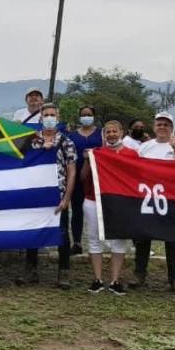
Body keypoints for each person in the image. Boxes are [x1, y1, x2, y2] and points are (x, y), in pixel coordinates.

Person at [129, 112, 175, 293]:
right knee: (143, 238)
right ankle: (139, 274)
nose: (162, 127)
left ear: (172, 127)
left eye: (166, 124)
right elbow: (134, 170)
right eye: (159, 124)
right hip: (148, 199)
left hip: (173, 199)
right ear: (154, 127)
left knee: (172, 239)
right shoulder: (145, 147)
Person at [17, 103, 77, 289]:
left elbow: (72, 171)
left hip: (57, 194)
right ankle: (30, 271)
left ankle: (63, 273)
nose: (50, 118)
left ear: (57, 118)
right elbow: (16, 158)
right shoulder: (31, 141)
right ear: (41, 118)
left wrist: (67, 198)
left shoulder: (66, 142)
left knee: (62, 235)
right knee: (33, 232)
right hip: (35, 195)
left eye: (53, 115)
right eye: (46, 115)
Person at [79, 121, 135, 295]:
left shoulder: (132, 154)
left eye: (114, 131)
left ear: (121, 132)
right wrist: (88, 161)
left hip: (119, 202)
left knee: (119, 240)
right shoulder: (97, 153)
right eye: (108, 132)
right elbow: (83, 178)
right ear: (104, 135)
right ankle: (97, 279)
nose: (111, 134)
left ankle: (115, 280)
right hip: (93, 200)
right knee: (94, 239)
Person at [67, 106, 102, 255]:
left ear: (94, 116)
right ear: (79, 117)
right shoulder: (72, 135)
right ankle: (77, 242)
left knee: (98, 211)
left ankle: (99, 242)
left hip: (98, 178)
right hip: (76, 177)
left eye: (89, 114)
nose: (86, 117)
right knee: (76, 210)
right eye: (83, 115)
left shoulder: (102, 133)